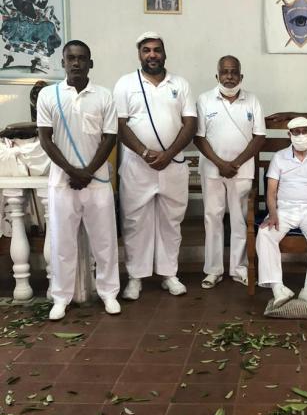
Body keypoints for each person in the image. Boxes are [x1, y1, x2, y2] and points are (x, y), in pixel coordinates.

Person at [37, 40, 120, 320]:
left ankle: (109, 293)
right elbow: (45, 139)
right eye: (71, 58)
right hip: (63, 183)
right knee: (62, 243)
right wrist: (72, 171)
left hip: (97, 183)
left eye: (82, 58)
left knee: (105, 242)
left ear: (90, 63)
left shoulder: (104, 96)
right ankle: (61, 297)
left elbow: (110, 138)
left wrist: (87, 173)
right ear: (63, 63)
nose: (76, 63)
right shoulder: (48, 95)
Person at [114, 32, 196, 300]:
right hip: (137, 166)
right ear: (139, 54)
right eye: (146, 50)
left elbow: (190, 123)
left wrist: (169, 154)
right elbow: (119, 125)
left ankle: (169, 274)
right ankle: (135, 278)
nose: (152, 55)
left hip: (173, 165)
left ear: (164, 53)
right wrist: (145, 152)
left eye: (157, 50)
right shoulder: (125, 84)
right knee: (135, 221)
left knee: (171, 221)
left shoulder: (180, 84)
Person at [195, 55, 265, 288]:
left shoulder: (252, 100)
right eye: (225, 72)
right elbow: (199, 137)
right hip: (212, 170)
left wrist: (235, 163)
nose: (229, 76)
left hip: (241, 171)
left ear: (241, 76)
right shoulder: (204, 100)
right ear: (217, 75)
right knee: (212, 218)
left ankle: (239, 268)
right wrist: (220, 163)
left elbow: (259, 136)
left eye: (234, 72)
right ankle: (213, 270)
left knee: (239, 219)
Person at [256, 117, 307, 307]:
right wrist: (272, 213)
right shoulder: (279, 157)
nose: (301, 136)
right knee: (264, 233)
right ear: (289, 135)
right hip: (284, 210)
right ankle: (277, 287)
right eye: (296, 132)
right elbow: (271, 191)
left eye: (305, 131)